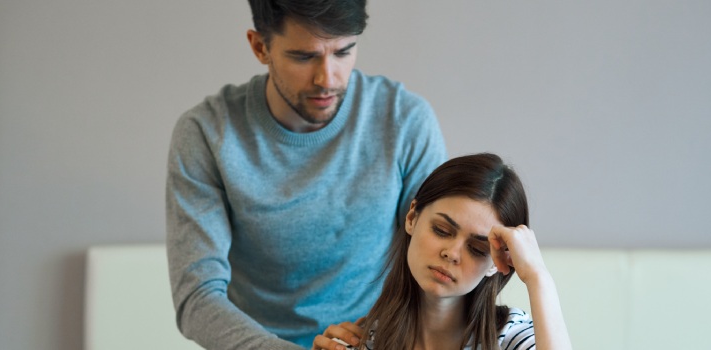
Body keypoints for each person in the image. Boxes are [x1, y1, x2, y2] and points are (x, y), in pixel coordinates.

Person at [164, 0, 447, 349]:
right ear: (260, 47)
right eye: (304, 56)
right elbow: (197, 297)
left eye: (344, 52)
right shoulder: (207, 134)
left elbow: (437, 265)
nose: (327, 78)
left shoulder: (404, 120)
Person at [312, 153, 573, 350]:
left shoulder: (511, 337)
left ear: (497, 262)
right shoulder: (364, 340)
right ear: (412, 217)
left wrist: (538, 278)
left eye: (477, 248)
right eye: (442, 230)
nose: (452, 253)